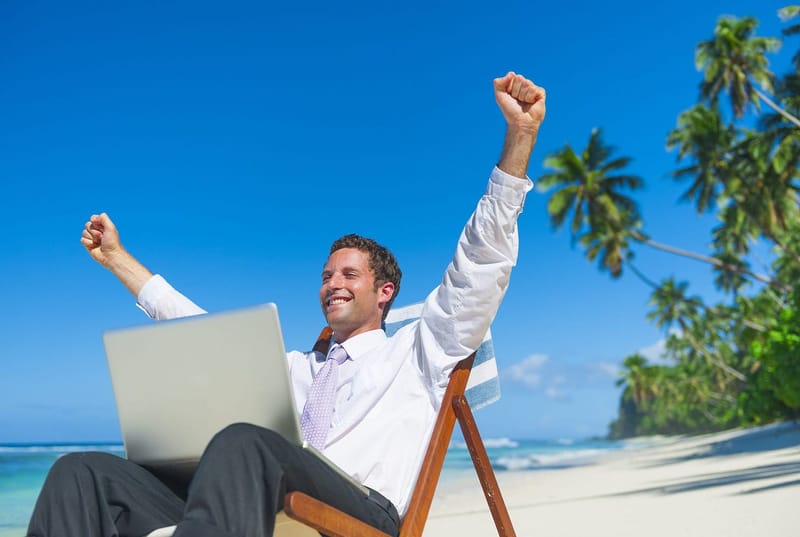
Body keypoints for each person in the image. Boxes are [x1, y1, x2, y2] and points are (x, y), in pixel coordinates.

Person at [27, 71, 546, 537]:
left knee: (243, 442)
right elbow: (204, 337)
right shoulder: (296, 371)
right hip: (264, 496)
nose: (331, 284)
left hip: (357, 511)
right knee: (82, 474)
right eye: (325, 276)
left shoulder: (422, 350)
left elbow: (479, 264)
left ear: (385, 292)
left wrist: (519, 139)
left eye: (348, 274)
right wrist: (118, 259)